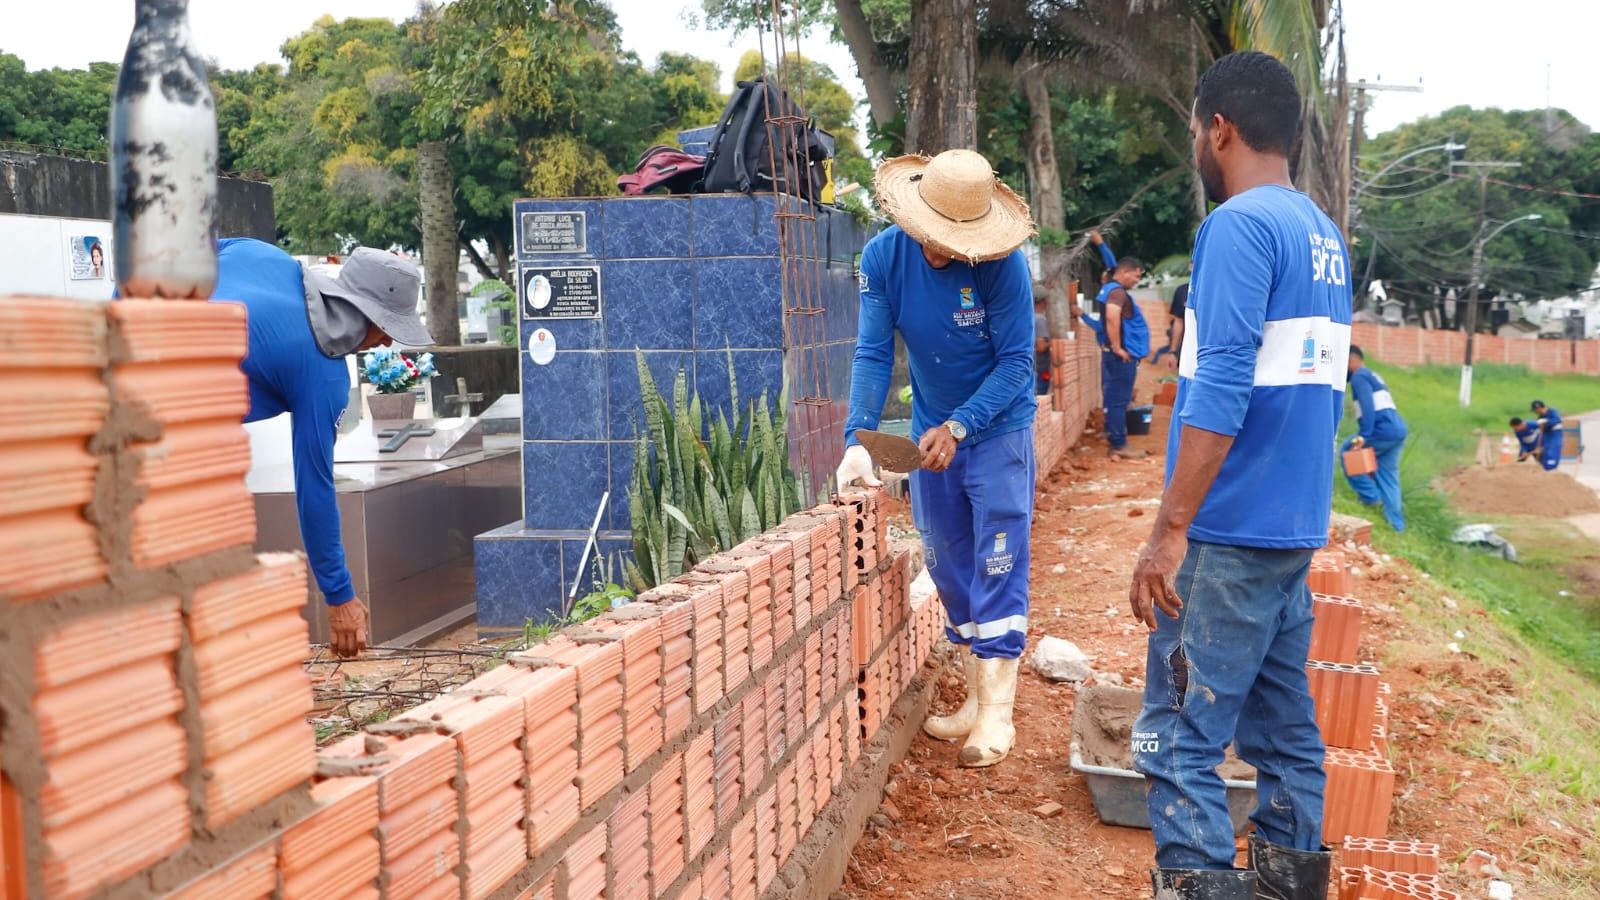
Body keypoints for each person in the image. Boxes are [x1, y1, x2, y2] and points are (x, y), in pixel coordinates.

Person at [1128, 51, 1351, 900]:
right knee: (1282, 734)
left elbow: (1222, 385)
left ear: (1218, 128)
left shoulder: (1238, 226)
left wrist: (1170, 529)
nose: (1196, 141)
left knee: (1179, 736)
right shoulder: (1321, 234)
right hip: (1289, 528)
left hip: (1226, 532)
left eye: (1195, 128)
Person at [836, 148, 1037, 769]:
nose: (944, 251)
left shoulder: (1003, 266)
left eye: (957, 242)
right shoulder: (883, 259)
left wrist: (961, 423)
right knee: (949, 564)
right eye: (935, 237)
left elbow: (1017, 363)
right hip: (933, 437)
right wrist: (857, 439)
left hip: (996, 432)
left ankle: (998, 712)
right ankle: (976, 700)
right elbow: (873, 353)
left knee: (997, 561)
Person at [215, 238, 433, 657]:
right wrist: (339, 595)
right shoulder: (324, 374)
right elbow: (314, 486)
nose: (386, 343)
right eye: (387, 328)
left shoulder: (265, 255)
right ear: (368, 314)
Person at [1342, 346, 1407, 531]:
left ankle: (1371, 499)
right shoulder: (1372, 375)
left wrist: (1364, 436)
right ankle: (1396, 526)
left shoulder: (1359, 377)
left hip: (1381, 431)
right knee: (1388, 475)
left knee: (1347, 453)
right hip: (1397, 430)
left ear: (1350, 361)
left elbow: (1367, 406)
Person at [1099, 257, 1150, 459]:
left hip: (1112, 355)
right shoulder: (1117, 292)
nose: (1137, 281)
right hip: (1120, 357)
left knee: (1114, 399)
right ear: (1125, 272)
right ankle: (1119, 444)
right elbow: (1112, 316)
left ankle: (1113, 436)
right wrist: (1118, 347)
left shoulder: (1108, 289)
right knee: (1120, 401)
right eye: (1136, 276)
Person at [1151, 275, 1190, 367]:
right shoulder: (1182, 291)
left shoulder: (1219, 289)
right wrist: (1173, 352)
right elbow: (1179, 321)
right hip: (1186, 350)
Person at [1530, 400, 1564, 470]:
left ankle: (1551, 469)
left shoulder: (1552, 412)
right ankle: (1545, 470)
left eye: (1535, 410)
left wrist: (1547, 421)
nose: (1535, 412)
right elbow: (1538, 427)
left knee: (1552, 452)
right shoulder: (1540, 417)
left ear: (1538, 408)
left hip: (1554, 435)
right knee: (1545, 453)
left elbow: (1557, 420)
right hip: (1546, 436)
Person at [1033, 281, 1053, 395]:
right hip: (1040, 368)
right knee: (1040, 395)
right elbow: (1040, 347)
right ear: (1043, 301)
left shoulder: (1028, 317)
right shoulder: (1040, 319)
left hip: (1032, 368)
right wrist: (1052, 343)